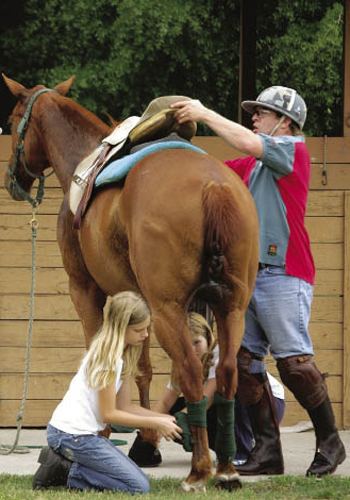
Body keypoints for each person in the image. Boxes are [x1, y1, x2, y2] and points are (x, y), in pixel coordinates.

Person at [170, 86, 346, 477]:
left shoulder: (294, 150)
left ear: (285, 122)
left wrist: (203, 111)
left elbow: (247, 140)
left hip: (284, 271)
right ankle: (268, 452)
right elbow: (210, 170)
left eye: (261, 112)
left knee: (295, 364)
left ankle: (331, 443)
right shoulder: (251, 167)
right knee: (246, 364)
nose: (254, 117)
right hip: (247, 276)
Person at [32, 291, 182, 493]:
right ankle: (65, 470)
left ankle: (69, 465)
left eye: (147, 328)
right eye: (139, 330)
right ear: (122, 327)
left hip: (83, 437)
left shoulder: (121, 356)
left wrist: (162, 417)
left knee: (135, 480)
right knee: (139, 487)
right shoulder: (107, 360)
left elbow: (124, 406)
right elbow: (109, 414)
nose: (146, 335)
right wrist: (155, 423)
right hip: (72, 436)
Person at [130, 312, 285, 465]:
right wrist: (149, 432)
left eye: (196, 342)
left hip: (266, 405)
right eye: (186, 345)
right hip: (226, 405)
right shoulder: (182, 364)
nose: (192, 349)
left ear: (208, 338)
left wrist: (173, 422)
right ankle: (228, 445)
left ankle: (240, 453)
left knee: (228, 395)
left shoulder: (219, 352)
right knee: (175, 409)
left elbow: (206, 400)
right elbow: (164, 404)